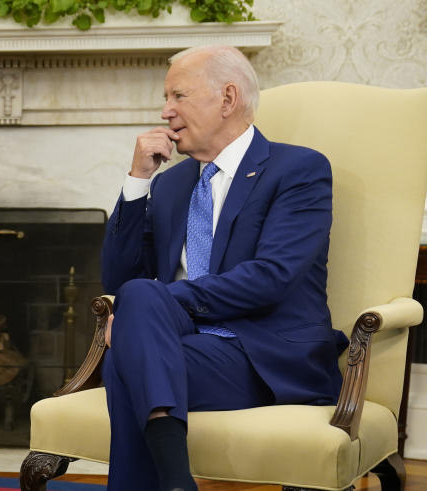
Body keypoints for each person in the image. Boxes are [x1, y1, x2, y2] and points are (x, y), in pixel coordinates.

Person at [99, 45, 348, 491]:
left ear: (227, 99)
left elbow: (271, 278)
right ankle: (178, 483)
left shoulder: (298, 170)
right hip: (187, 351)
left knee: (127, 351)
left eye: (178, 96)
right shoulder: (172, 182)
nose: (165, 110)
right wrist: (137, 182)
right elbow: (118, 281)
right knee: (135, 307)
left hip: (265, 357)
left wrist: (155, 302)